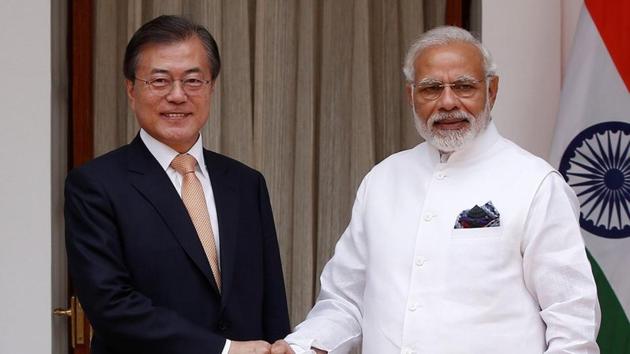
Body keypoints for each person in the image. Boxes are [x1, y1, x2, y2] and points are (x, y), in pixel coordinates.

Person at [271, 26, 600, 354]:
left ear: (492, 90)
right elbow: (346, 300)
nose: (447, 102)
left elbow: (573, 323)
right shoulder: (383, 180)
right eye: (431, 89)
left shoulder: (535, 184)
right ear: (410, 96)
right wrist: (301, 347)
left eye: (464, 87)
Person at [65, 15, 290, 354]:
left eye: (193, 81)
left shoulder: (245, 183)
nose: (177, 95)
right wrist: (224, 349)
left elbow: (270, 297)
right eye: (159, 81)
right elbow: (110, 305)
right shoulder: (96, 185)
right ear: (131, 89)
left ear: (211, 87)